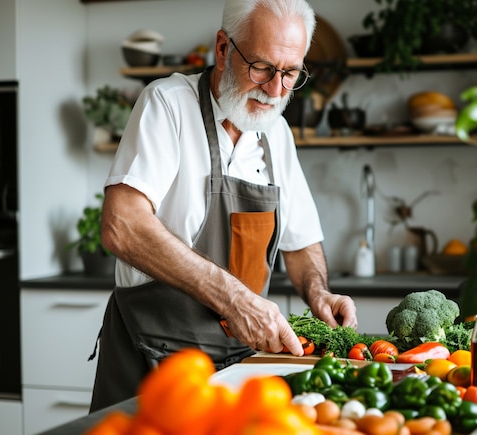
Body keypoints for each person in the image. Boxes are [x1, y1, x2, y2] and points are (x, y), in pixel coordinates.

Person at [89, 0, 358, 413]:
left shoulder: (276, 133)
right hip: (151, 362)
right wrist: (235, 299)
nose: (275, 90)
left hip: (240, 370)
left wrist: (318, 293)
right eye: (263, 68)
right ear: (222, 48)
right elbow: (121, 225)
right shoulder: (168, 105)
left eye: (289, 74)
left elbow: (301, 242)